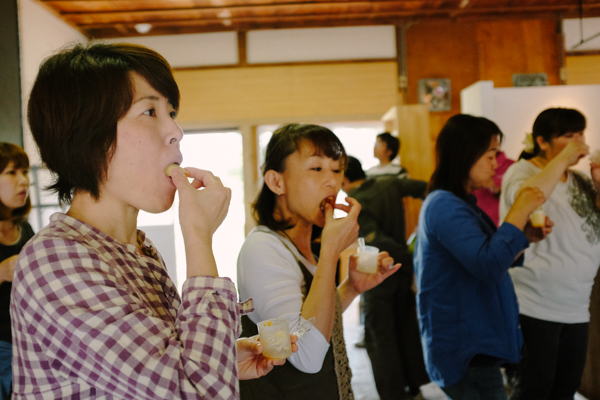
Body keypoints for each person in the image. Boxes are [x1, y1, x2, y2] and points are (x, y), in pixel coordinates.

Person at [11, 43, 296, 400]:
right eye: (149, 111)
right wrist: (198, 235)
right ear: (88, 136)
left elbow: (165, 367)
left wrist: (221, 357)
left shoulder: (139, 250)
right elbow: (197, 392)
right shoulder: (55, 261)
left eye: (172, 112)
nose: (176, 130)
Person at [237, 123, 401, 400]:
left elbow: (304, 321)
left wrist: (350, 288)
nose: (332, 182)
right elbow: (306, 355)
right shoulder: (262, 248)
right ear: (277, 182)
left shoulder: (303, 246)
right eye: (317, 168)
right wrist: (330, 252)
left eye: (337, 170)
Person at [413, 114, 552, 399]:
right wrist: (520, 207)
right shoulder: (444, 205)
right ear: (465, 155)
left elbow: (490, 258)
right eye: (490, 155)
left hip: (474, 344)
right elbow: (488, 265)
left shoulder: (458, 203)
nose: (496, 164)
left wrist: (523, 235)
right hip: (466, 349)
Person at [500, 108, 600, 400]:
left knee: (565, 388)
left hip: (577, 303)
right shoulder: (523, 172)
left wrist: (596, 178)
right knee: (535, 389)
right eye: (568, 136)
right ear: (542, 141)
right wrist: (563, 159)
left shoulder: (579, 179)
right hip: (536, 303)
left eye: (580, 134)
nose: (578, 141)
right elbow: (530, 198)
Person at [342, 156, 429, 400]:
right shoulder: (388, 183)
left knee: (380, 338)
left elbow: (375, 240)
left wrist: (402, 256)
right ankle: (414, 387)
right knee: (406, 328)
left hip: (378, 272)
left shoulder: (356, 201)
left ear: (344, 179)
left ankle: (393, 394)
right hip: (401, 272)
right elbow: (425, 187)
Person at [0, 143, 33, 400]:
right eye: (12, 172)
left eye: (25, 171)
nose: (23, 181)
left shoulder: (25, 228)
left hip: (26, 343)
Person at [472, 151, 515, 226]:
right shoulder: (474, 169)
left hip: (508, 224)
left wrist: (498, 190)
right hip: (480, 224)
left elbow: (522, 198)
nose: (495, 165)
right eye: (490, 158)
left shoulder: (513, 167)